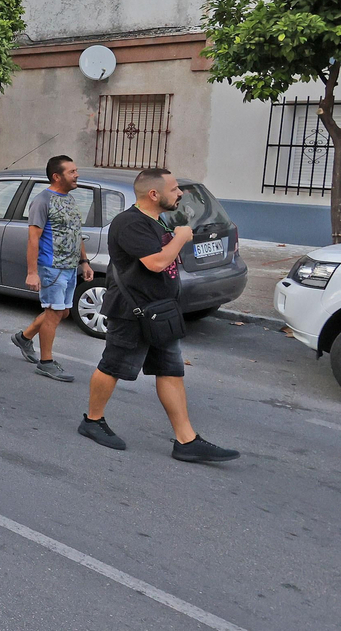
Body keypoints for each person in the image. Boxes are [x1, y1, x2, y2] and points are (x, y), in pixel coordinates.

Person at [78, 169, 239, 462]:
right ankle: (92, 421)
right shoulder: (129, 223)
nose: (180, 193)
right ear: (154, 194)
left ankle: (186, 440)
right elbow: (155, 262)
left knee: (171, 370)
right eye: (175, 189)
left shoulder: (157, 220)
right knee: (112, 367)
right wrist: (180, 237)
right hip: (133, 312)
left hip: (160, 311)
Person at [10, 155, 89, 383]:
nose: (77, 175)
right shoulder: (42, 200)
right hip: (51, 267)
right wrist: (32, 272)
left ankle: (24, 338)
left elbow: (76, 232)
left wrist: (84, 262)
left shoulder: (70, 199)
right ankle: (46, 363)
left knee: (62, 312)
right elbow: (33, 239)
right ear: (57, 176)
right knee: (54, 313)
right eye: (72, 172)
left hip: (70, 267)